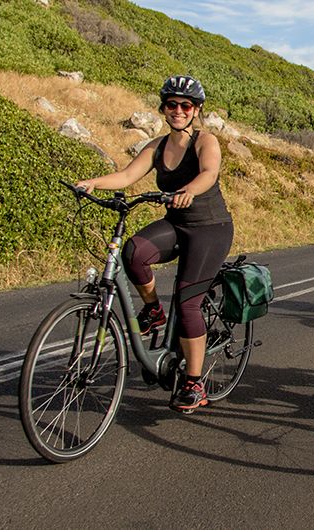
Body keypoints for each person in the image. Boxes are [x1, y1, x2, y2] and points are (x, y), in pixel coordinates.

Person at [76, 75, 232, 414]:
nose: (177, 110)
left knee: (189, 302)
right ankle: (153, 310)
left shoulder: (206, 142)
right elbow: (128, 176)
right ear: (163, 108)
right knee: (133, 252)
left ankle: (193, 381)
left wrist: (190, 189)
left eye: (185, 105)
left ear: (196, 111)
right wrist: (93, 183)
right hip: (177, 224)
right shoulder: (157, 146)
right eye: (171, 104)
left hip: (210, 228)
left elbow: (209, 172)